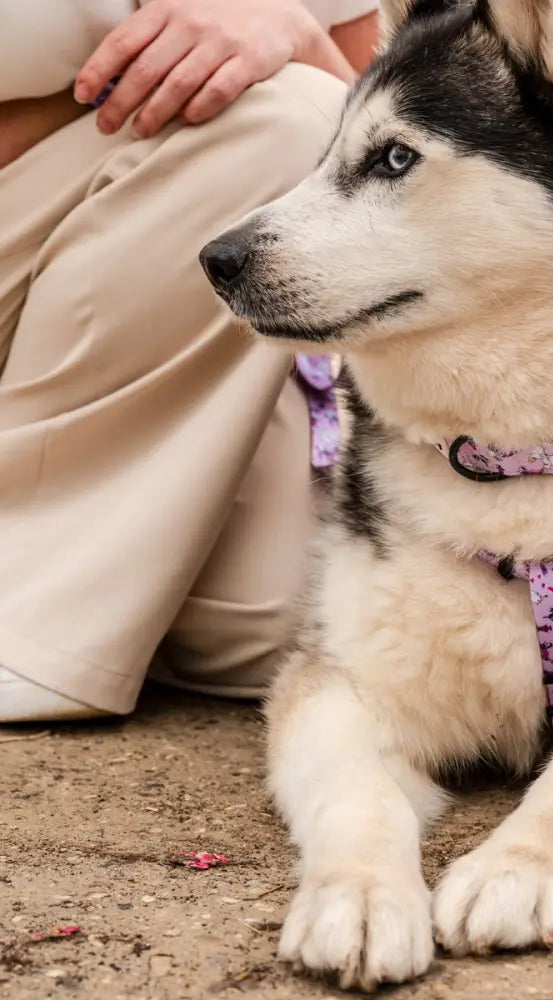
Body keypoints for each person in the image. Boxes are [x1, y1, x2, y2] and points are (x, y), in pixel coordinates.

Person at [0, 0, 379, 722]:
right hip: (57, 194)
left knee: (278, 618)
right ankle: (28, 623)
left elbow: (374, 106)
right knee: (284, 119)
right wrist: (142, 81)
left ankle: (83, 580)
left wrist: (290, 31)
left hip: (118, 245)